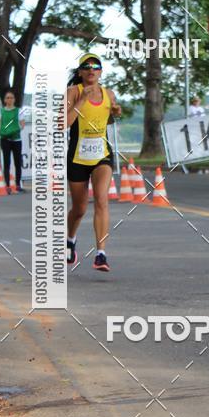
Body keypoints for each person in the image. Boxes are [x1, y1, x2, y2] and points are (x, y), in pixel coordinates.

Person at [65, 53, 121, 272]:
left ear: (100, 72)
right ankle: (70, 239)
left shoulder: (109, 93)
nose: (91, 70)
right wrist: (81, 100)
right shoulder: (72, 92)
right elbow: (63, 123)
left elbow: (108, 119)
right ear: (80, 72)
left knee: (101, 199)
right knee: (79, 208)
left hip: (102, 155)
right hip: (77, 157)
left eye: (95, 66)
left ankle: (101, 254)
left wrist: (115, 113)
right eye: (86, 66)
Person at [0, 89, 26, 194]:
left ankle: (17, 185)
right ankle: (7, 186)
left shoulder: (18, 111)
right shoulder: (0, 111)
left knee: (18, 162)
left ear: (14, 99)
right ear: (4, 100)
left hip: (16, 140)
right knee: (7, 162)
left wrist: (13, 130)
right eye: (7, 98)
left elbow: (22, 124)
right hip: (5, 140)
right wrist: (2, 131)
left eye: (11, 97)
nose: (9, 99)